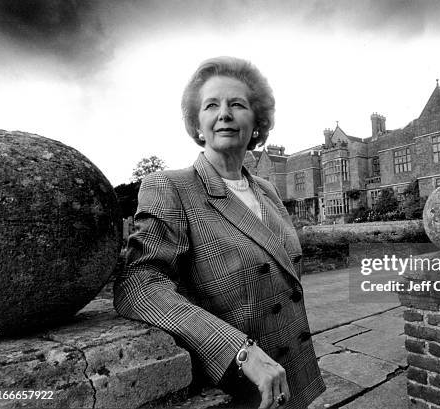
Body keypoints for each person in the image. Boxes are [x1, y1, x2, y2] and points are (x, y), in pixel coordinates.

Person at [114, 56, 325, 409]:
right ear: (198, 125)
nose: (224, 113)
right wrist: (239, 351)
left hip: (295, 377)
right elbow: (138, 285)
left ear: (256, 123)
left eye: (237, 104)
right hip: (239, 387)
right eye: (212, 105)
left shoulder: (266, 190)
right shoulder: (170, 186)